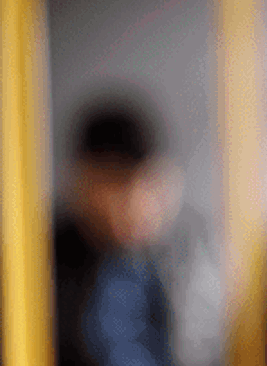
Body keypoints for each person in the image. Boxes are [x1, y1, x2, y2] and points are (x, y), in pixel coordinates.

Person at [55, 100, 182, 366]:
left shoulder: (178, 260)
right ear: (83, 180)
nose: (137, 201)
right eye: (118, 182)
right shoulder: (41, 267)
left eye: (148, 181)